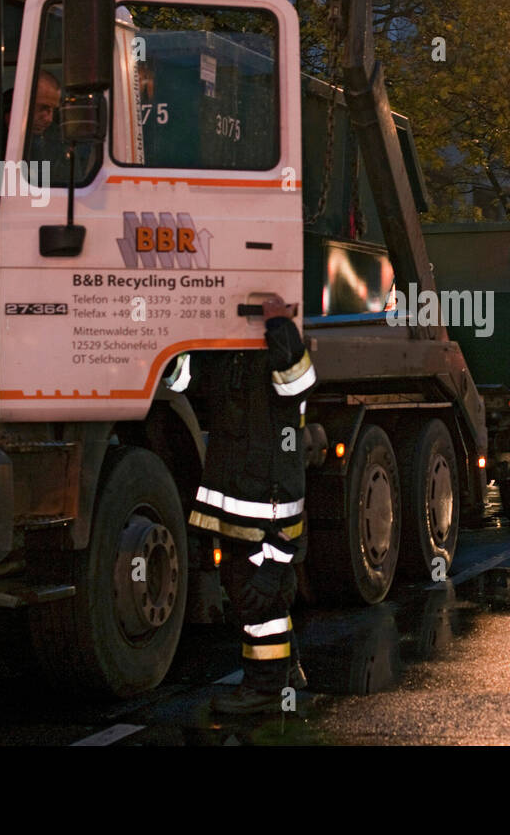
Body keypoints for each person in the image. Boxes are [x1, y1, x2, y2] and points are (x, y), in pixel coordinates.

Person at [188, 295, 317, 713]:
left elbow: (297, 382)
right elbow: (185, 383)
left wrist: (279, 326)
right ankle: (287, 672)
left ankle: (265, 689)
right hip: (245, 509)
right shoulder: (233, 357)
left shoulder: (284, 359)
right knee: (259, 597)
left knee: (259, 601)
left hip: (268, 511)